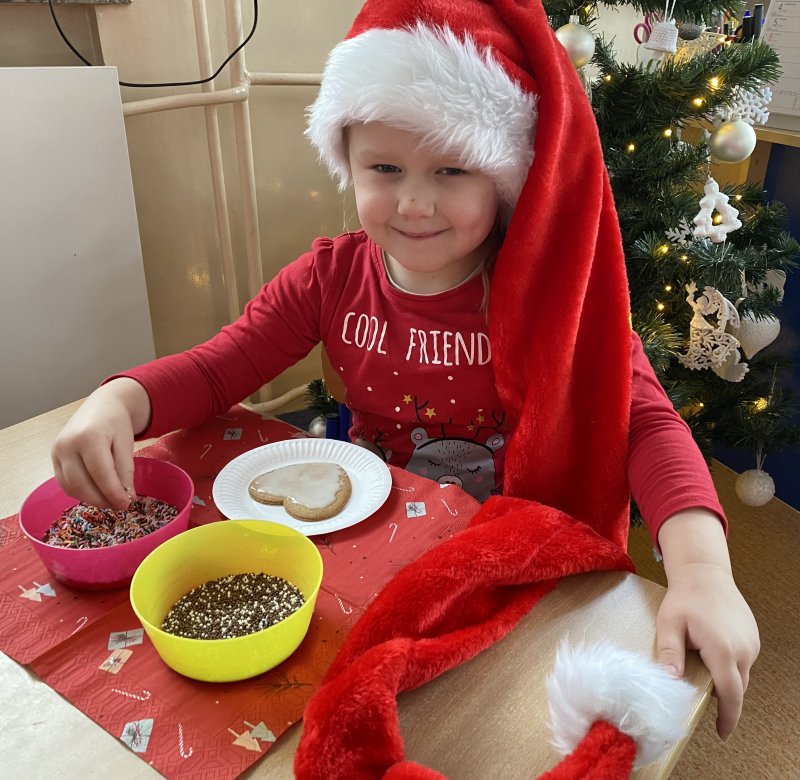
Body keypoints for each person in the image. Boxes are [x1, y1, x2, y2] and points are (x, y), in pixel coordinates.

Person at [52, 0, 758, 747]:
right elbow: (218, 368)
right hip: (372, 556)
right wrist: (119, 400)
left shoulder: (555, 295)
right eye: (385, 168)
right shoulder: (328, 279)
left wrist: (702, 570)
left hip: (512, 570)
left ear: (504, 178)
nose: (415, 202)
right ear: (347, 161)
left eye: (451, 169)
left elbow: (643, 421)